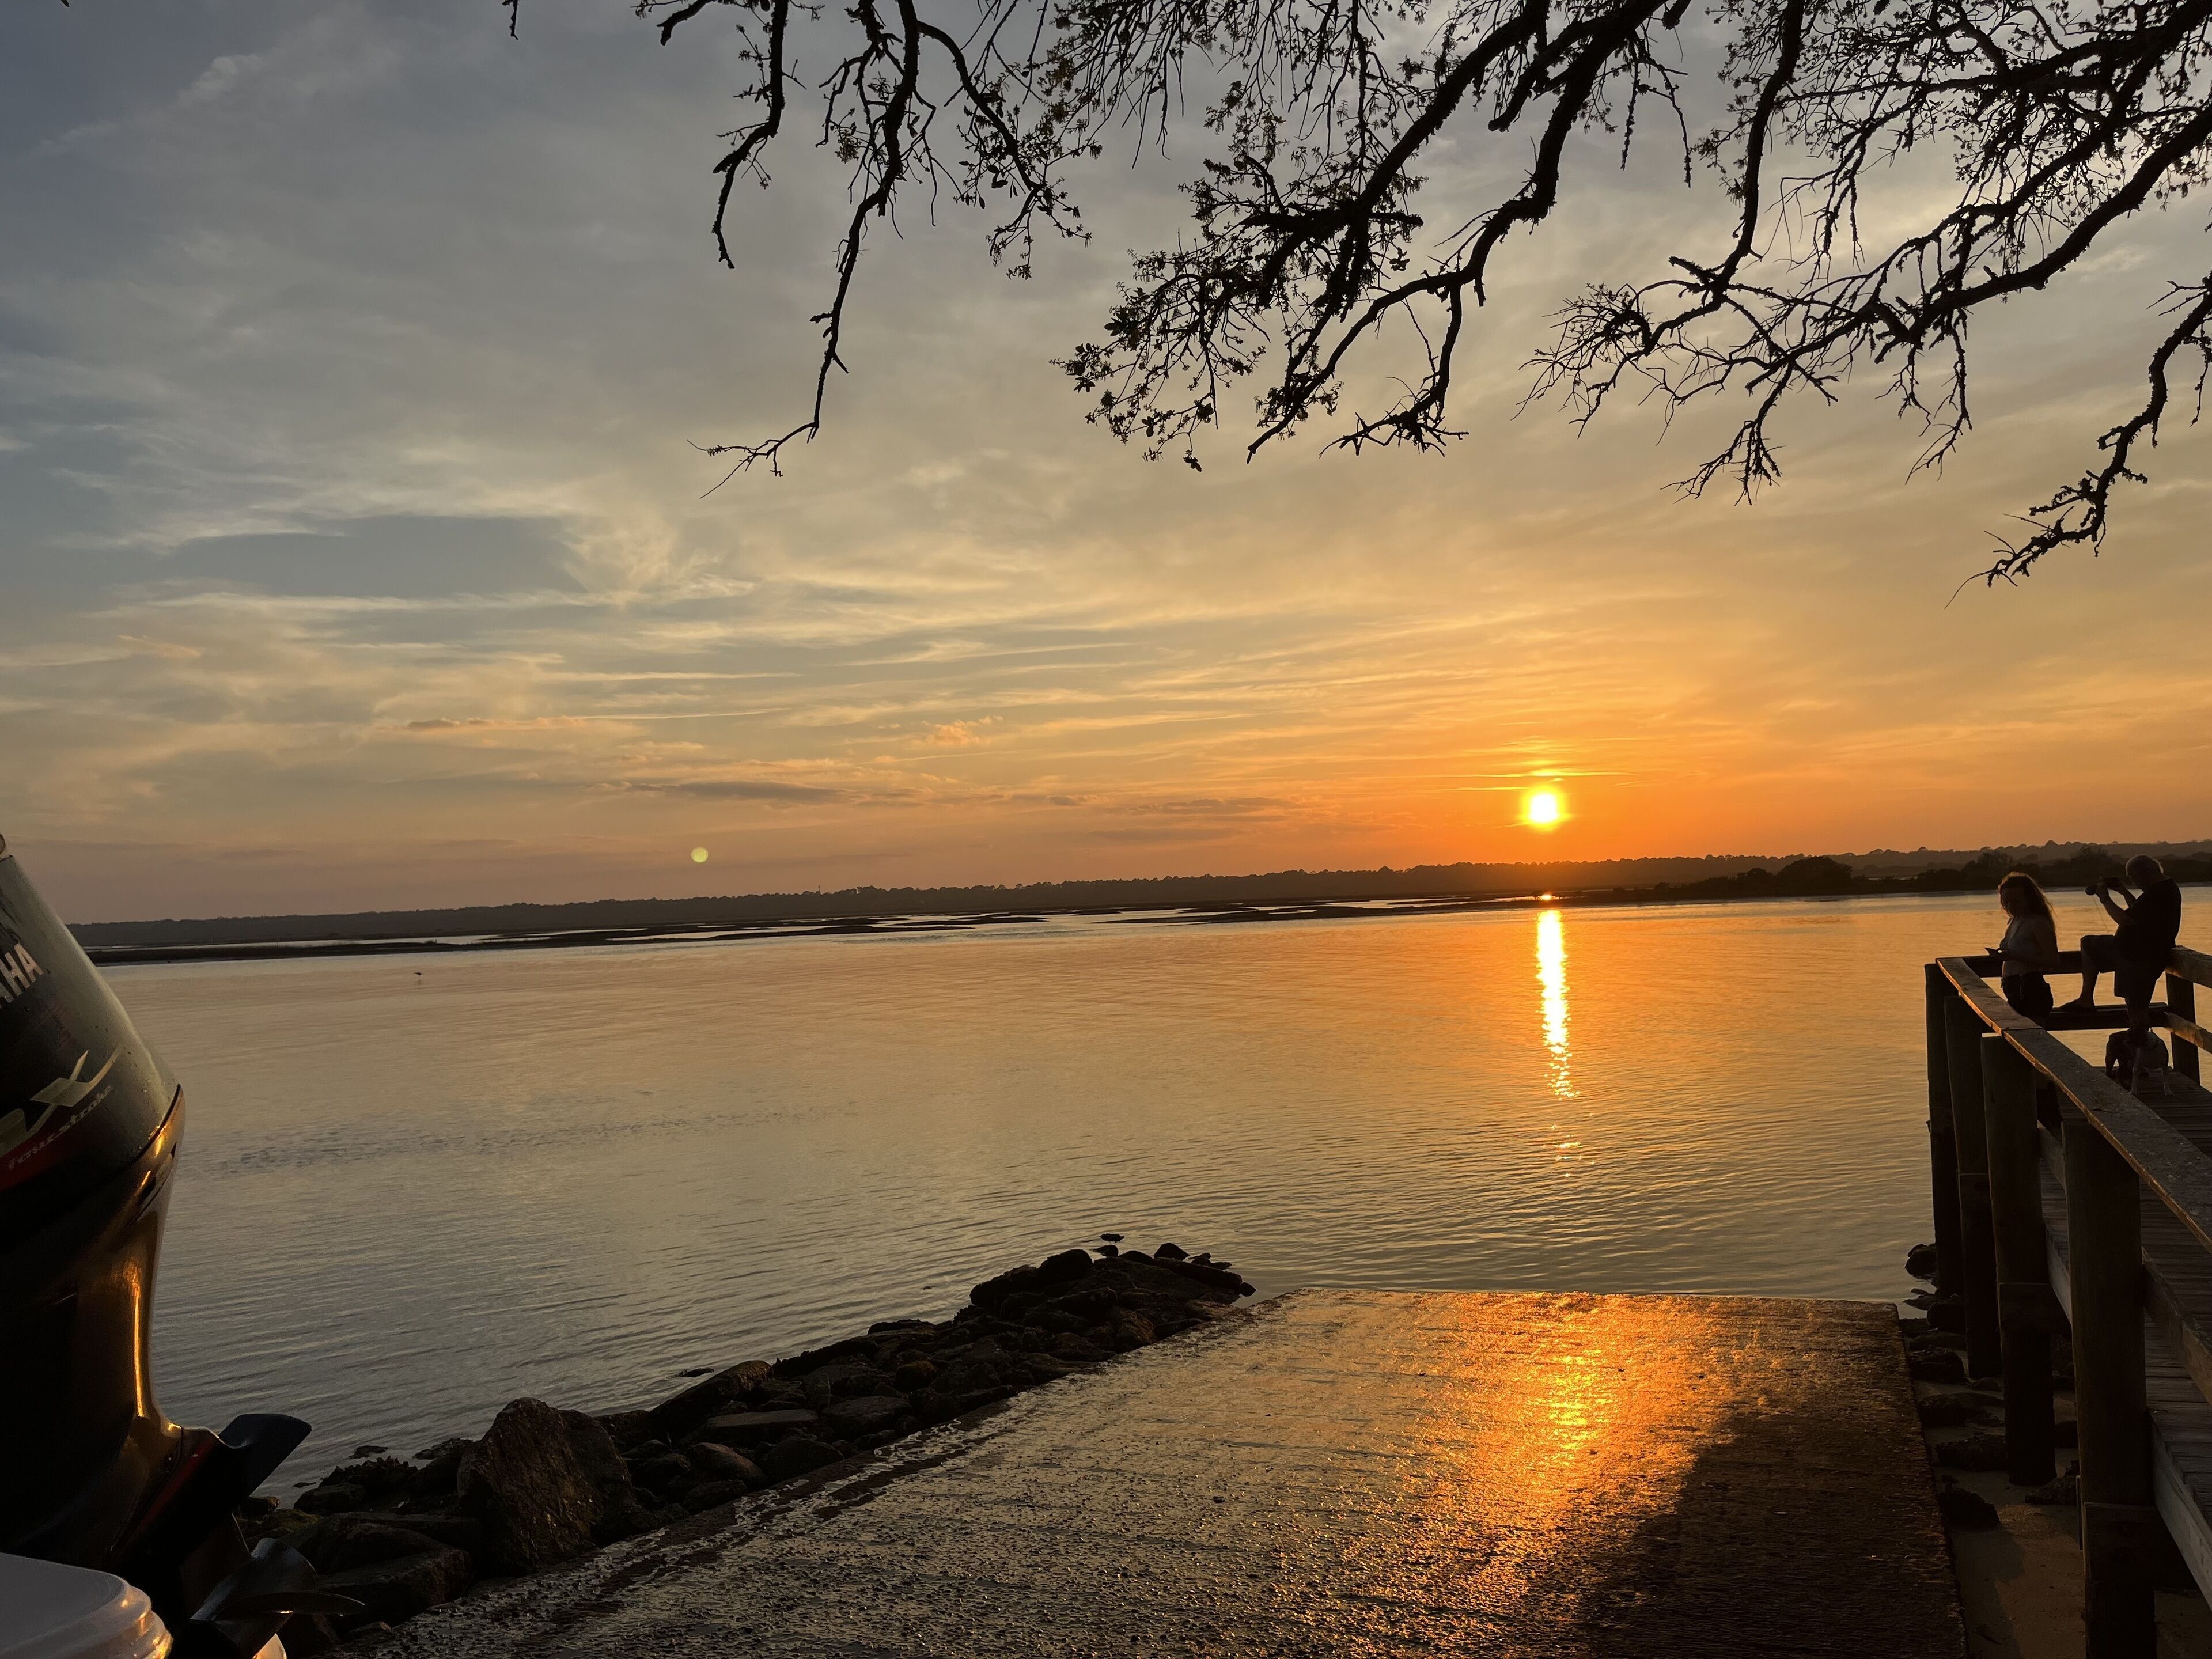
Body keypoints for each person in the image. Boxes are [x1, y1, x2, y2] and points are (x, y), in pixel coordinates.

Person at [2067, 854, 2183, 1020]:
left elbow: (2125, 921)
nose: (2134, 882)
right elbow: (2138, 912)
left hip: (2141, 958)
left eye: (2133, 877)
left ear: (2146, 873)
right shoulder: (2162, 889)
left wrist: (2105, 899)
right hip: (2133, 954)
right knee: (2089, 944)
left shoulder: (2159, 893)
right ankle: (2086, 999)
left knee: (2137, 1008)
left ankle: (2138, 1039)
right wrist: (2123, 891)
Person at [1991, 872, 2061, 1022]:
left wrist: (2015, 956)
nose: (2010, 906)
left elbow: (2052, 960)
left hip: (2031, 992)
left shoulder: (2038, 923)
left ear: (2029, 899)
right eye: (2006, 902)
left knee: (2033, 1040)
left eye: (2016, 902)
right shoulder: (2014, 922)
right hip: (2014, 991)